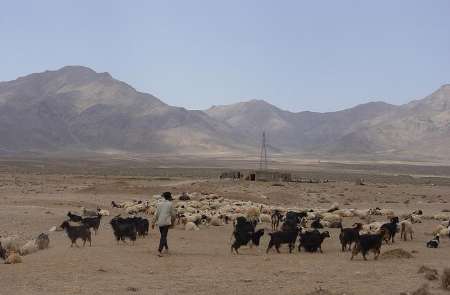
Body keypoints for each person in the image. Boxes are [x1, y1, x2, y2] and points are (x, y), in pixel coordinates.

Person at [152, 191, 176, 256]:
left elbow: (156, 214)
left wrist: (153, 222)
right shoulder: (170, 204)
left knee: (163, 235)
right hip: (166, 222)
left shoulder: (159, 204)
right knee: (163, 236)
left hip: (160, 222)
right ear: (169, 197)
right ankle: (159, 251)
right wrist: (173, 221)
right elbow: (173, 214)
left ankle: (166, 248)